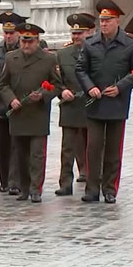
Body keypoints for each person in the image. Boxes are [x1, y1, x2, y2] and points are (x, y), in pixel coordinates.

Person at [76, 0, 133, 204]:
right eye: (102, 20)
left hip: (117, 104)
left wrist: (121, 87)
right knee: (93, 147)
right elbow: (81, 69)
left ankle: (110, 189)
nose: (104, 24)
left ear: (117, 21)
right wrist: (90, 87)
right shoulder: (90, 43)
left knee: (113, 150)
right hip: (95, 103)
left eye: (108, 20)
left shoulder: (131, 43)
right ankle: (91, 189)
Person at [0, 23, 61, 203]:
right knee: (20, 154)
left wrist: (42, 95)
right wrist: (11, 99)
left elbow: (57, 85)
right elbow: (3, 84)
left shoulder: (48, 59)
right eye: (23, 41)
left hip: (37, 114)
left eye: (30, 42)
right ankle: (23, 188)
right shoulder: (11, 58)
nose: (26, 45)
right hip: (18, 114)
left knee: (37, 155)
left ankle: (35, 189)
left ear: (37, 41)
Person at [54, 13, 96, 196]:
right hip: (70, 106)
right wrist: (61, 91)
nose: (76, 37)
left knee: (94, 147)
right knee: (67, 149)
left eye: (80, 33)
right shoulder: (62, 54)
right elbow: (55, 79)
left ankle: (94, 183)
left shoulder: (97, 52)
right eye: (74, 33)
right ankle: (65, 183)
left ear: (90, 32)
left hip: (92, 105)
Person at [0, 12, 26, 194]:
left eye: (12, 32)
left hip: (20, 104)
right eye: (6, 32)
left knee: (17, 145)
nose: (9, 36)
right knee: (1, 147)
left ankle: (15, 182)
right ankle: (4, 180)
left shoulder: (27, 47)